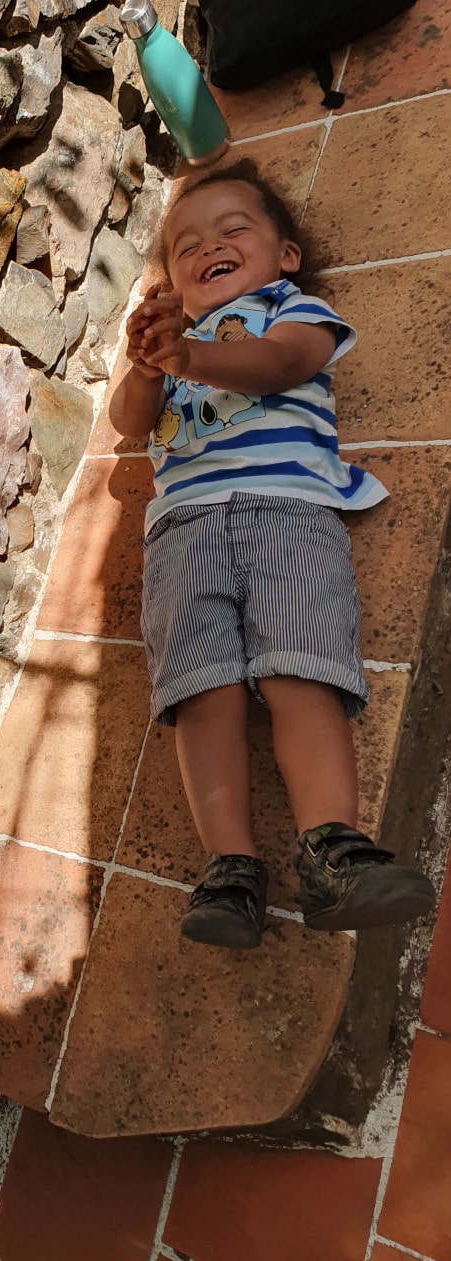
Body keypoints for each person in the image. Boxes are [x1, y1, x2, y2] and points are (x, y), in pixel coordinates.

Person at [110, 162, 435, 950]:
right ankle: (230, 866)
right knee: (202, 690)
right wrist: (150, 363)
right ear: (176, 286)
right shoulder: (173, 348)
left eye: (232, 232)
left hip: (287, 511)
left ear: (285, 254)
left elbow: (283, 366)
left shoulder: (293, 311)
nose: (208, 247)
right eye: (185, 247)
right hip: (182, 530)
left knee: (302, 670)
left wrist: (190, 357)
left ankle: (334, 851)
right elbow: (127, 422)